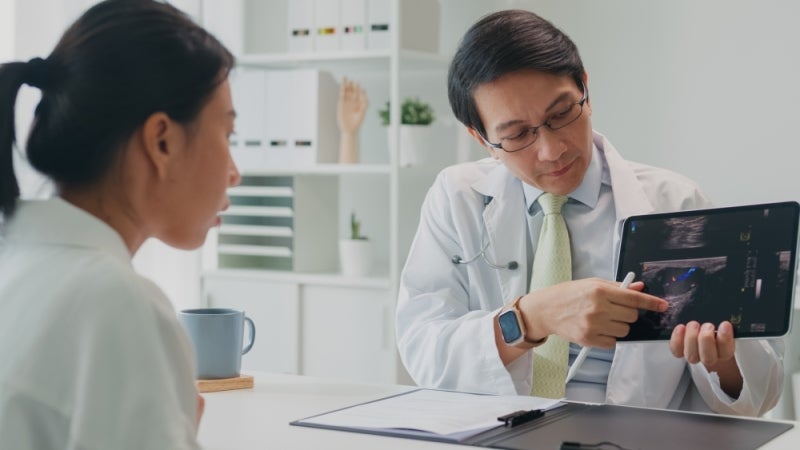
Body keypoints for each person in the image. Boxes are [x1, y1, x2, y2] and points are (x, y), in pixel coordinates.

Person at [396, 9, 782, 417]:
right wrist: (531, 318)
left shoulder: (677, 202)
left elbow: (763, 393)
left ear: (585, 88)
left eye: (561, 114)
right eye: (516, 135)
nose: (551, 150)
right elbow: (423, 351)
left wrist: (720, 359)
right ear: (482, 138)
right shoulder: (458, 199)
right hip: (497, 435)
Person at [0, 1, 239, 448]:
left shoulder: (15, 260)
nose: (234, 171)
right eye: (227, 135)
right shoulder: (118, 307)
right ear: (161, 141)